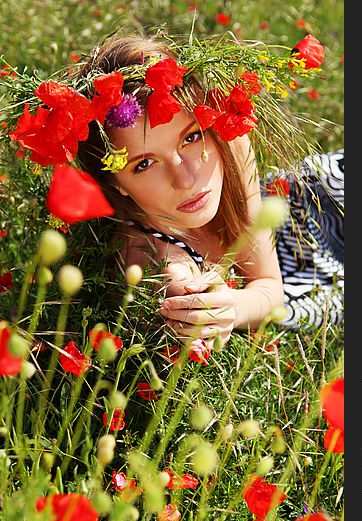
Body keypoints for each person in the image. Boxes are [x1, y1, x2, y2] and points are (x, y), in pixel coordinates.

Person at [76, 34, 344, 348]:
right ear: (115, 184)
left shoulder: (229, 141)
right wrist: (223, 306)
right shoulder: (155, 259)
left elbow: (268, 283)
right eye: (145, 163)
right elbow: (268, 290)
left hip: (305, 199)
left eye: (190, 138)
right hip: (298, 262)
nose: (185, 178)